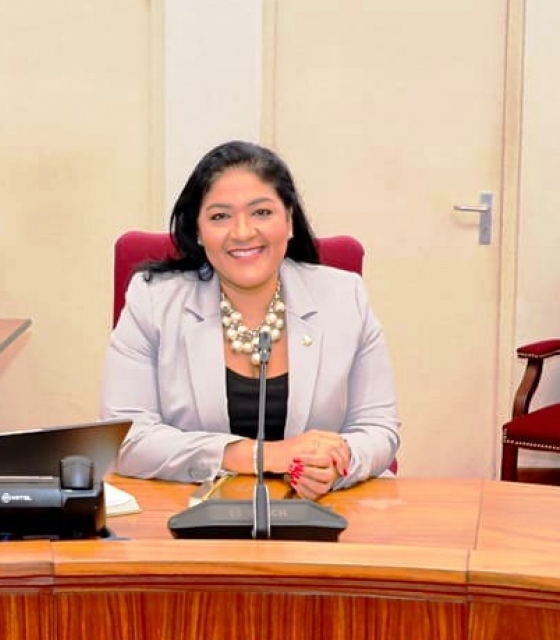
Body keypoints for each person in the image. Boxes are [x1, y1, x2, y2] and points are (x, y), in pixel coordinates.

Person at [101, 140, 399, 501]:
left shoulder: (344, 296)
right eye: (219, 217)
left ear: (289, 220)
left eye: (261, 212)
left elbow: (378, 428)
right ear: (198, 231)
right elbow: (126, 439)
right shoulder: (153, 300)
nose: (242, 232)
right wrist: (264, 456)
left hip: (323, 512)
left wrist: (338, 462)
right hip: (187, 513)